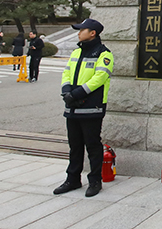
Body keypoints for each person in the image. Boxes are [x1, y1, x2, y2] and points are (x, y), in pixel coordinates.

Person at [53, 19, 114, 198]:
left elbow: (99, 78)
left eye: (82, 30)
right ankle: (72, 179)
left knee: (93, 145)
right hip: (72, 107)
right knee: (75, 145)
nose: (79, 33)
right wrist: (66, 92)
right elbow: (66, 72)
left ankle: (95, 180)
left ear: (93, 33)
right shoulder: (76, 52)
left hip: (91, 107)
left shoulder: (104, 54)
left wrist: (77, 94)